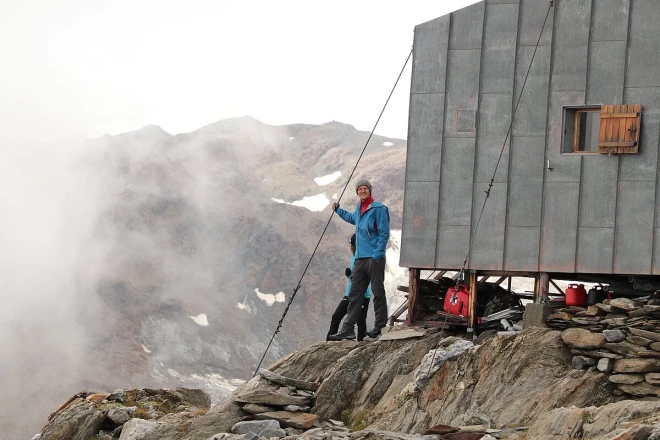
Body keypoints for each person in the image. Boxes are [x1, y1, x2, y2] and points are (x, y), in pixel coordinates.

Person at [328, 179, 390, 340]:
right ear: (357, 192)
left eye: (365, 188)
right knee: (355, 295)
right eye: (360, 189)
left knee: (377, 292)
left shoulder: (379, 209)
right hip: (360, 259)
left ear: (370, 190)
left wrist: (377, 254)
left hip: (374, 258)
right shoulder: (359, 208)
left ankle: (380, 326)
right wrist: (338, 210)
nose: (362, 191)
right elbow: (352, 218)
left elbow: (384, 233)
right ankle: (348, 330)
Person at [327, 234, 372, 341]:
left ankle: (361, 345)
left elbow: (364, 278)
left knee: (361, 321)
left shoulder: (364, 258)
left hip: (363, 294)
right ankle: (329, 342)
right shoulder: (354, 257)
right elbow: (356, 277)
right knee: (336, 316)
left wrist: (351, 275)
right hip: (350, 293)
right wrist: (350, 275)